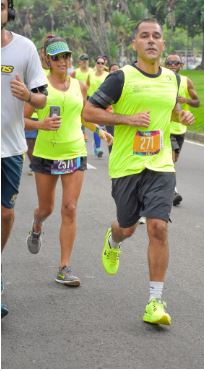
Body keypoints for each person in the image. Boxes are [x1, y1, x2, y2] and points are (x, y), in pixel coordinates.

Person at [83, 18, 194, 325]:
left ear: (163, 43)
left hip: (160, 164)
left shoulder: (172, 79)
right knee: (127, 227)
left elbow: (171, 109)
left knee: (158, 227)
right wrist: (126, 119)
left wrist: (181, 113)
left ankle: (154, 302)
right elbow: (88, 111)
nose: (150, 40)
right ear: (135, 44)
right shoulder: (121, 78)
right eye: (144, 36)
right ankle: (113, 239)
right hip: (126, 166)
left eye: (156, 36)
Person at [24, 36, 112, 287]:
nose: (63, 61)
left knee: (70, 208)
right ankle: (37, 225)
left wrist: (98, 130)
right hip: (46, 154)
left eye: (66, 56)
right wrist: (41, 124)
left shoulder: (79, 85)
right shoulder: (39, 87)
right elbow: (21, 119)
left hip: (74, 151)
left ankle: (64, 267)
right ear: (48, 60)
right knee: (46, 209)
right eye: (57, 57)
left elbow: (84, 115)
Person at [1, 0, 47, 318]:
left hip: (10, 149)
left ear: (9, 12)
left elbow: (42, 98)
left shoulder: (25, 48)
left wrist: (28, 96)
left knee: (5, 215)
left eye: (1, 5)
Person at [165, 54, 200, 206]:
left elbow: (197, 102)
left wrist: (186, 101)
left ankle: (167, 187)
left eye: (176, 63)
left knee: (174, 160)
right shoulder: (162, 80)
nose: (173, 65)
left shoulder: (186, 81)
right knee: (170, 159)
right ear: (165, 65)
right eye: (170, 63)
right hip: (166, 126)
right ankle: (172, 191)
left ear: (181, 65)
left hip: (181, 127)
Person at [87, 56, 109, 158]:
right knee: (96, 125)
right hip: (91, 102)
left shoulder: (107, 75)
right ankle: (98, 147)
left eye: (102, 63)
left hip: (103, 103)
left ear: (104, 65)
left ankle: (97, 144)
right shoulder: (90, 74)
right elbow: (86, 86)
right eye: (98, 63)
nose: (100, 65)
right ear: (96, 63)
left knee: (102, 126)